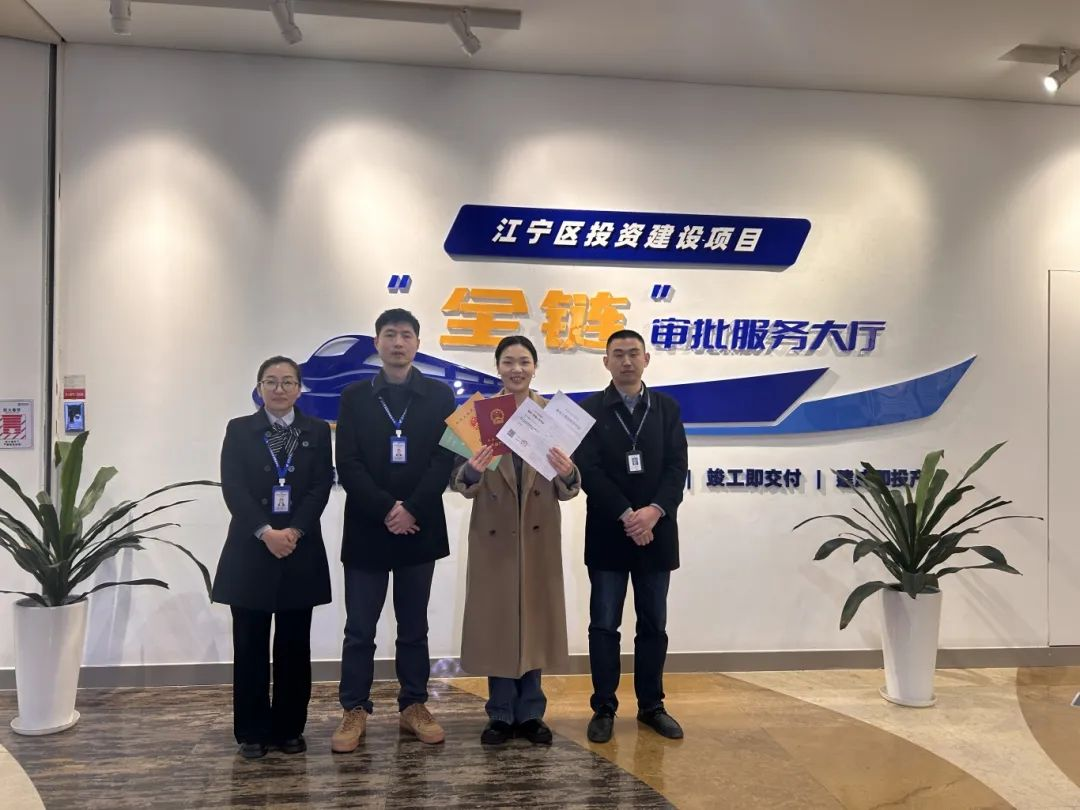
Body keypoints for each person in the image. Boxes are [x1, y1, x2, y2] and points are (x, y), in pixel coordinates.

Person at [331, 308, 457, 752]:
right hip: (368, 526)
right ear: (377, 343)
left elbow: (444, 459)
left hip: (420, 527)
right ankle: (354, 708)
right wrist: (388, 508)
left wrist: (411, 509)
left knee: (414, 626)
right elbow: (347, 462)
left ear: (418, 343)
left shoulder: (440, 395)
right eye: (390, 334)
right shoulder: (355, 396)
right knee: (359, 628)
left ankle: (414, 705)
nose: (398, 342)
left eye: (406, 335)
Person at [450, 335, 580, 746]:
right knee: (499, 623)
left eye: (524, 361)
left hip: (537, 535)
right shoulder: (477, 416)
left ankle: (532, 713)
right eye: (508, 361)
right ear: (498, 367)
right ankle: (500, 714)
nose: (517, 369)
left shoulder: (554, 416)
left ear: (535, 367)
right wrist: (472, 470)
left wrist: (568, 471)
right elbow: (458, 481)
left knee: (534, 621)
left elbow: (569, 487)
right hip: (495, 536)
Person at [212, 355, 333, 759]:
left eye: (287, 382)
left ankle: (288, 729)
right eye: (271, 381)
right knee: (249, 645)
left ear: (299, 389)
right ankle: (251, 731)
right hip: (251, 549)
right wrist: (266, 532)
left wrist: (293, 531)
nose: (279, 389)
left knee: (294, 646)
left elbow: (320, 486)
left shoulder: (316, 430)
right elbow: (233, 487)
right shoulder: (240, 429)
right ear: (259, 387)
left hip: (300, 548)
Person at [573, 329, 688, 743]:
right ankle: (604, 707)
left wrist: (653, 512)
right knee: (604, 625)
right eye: (618, 354)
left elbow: (677, 468)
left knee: (654, 624)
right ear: (605, 361)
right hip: (608, 531)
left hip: (657, 533)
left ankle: (652, 706)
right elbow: (589, 471)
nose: (626, 361)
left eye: (633, 353)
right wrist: (627, 515)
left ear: (646, 359)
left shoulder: (667, 408)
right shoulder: (588, 410)